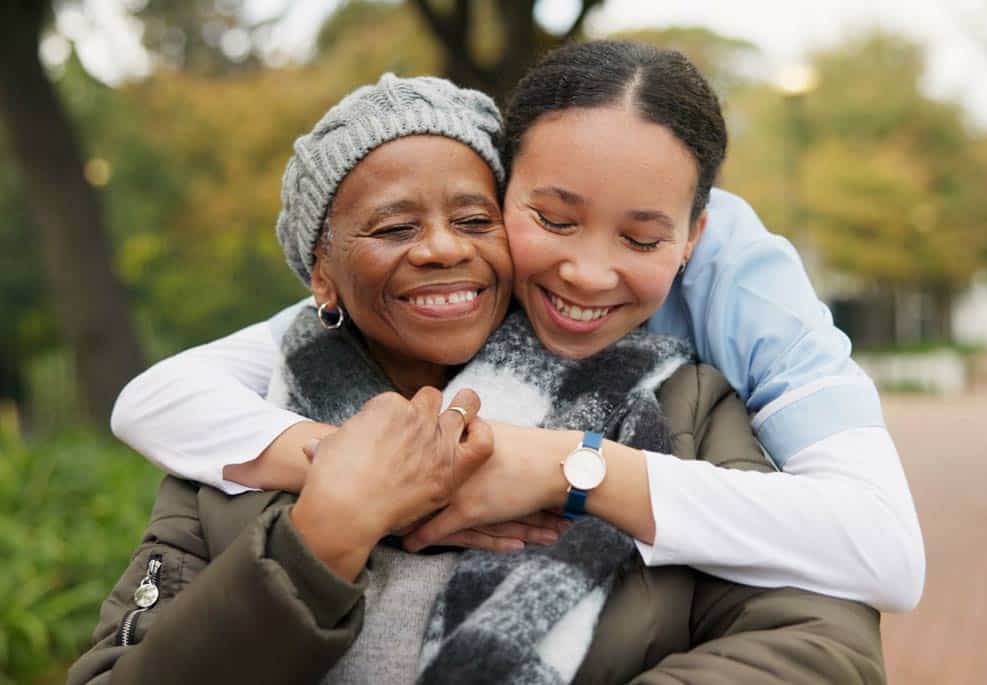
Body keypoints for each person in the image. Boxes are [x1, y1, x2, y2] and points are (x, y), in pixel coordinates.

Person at [70, 73, 884, 684]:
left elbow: (821, 643)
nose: (442, 248)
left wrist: (570, 467)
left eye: (473, 219)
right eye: (394, 226)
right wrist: (315, 543)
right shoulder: (238, 439)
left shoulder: (677, 403)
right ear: (320, 271)